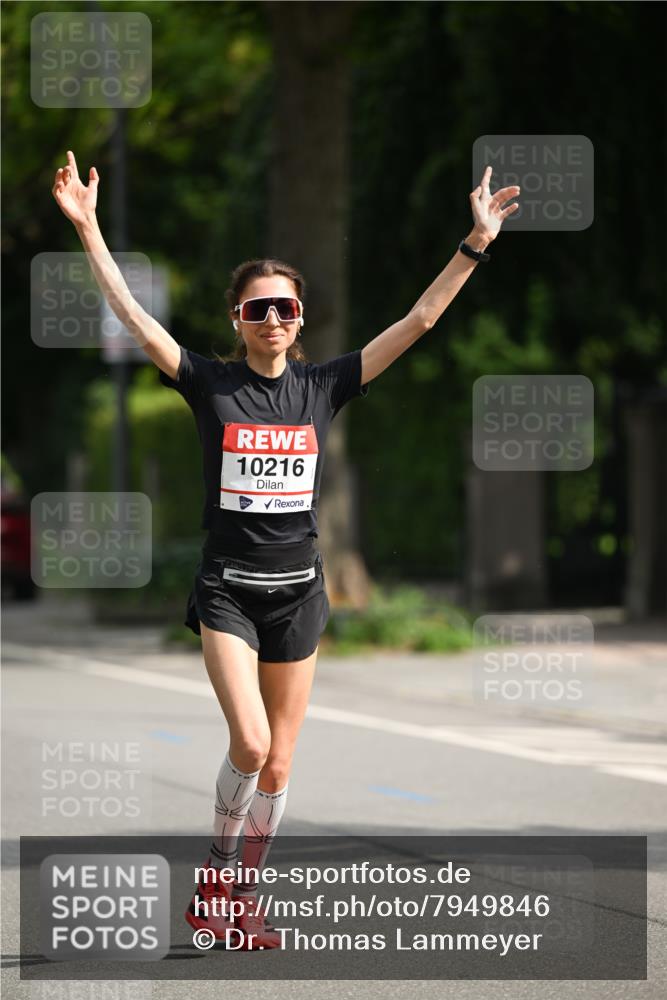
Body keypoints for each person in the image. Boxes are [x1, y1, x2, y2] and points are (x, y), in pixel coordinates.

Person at [52, 151, 519, 950]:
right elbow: (133, 316)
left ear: (301, 320)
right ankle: (215, 875)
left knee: (279, 766)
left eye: (287, 309)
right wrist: (91, 230)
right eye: (259, 308)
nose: (274, 319)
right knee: (252, 742)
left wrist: (474, 243)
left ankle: (241, 900)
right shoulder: (208, 383)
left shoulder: (325, 385)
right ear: (236, 318)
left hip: (299, 593)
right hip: (229, 593)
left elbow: (420, 321)